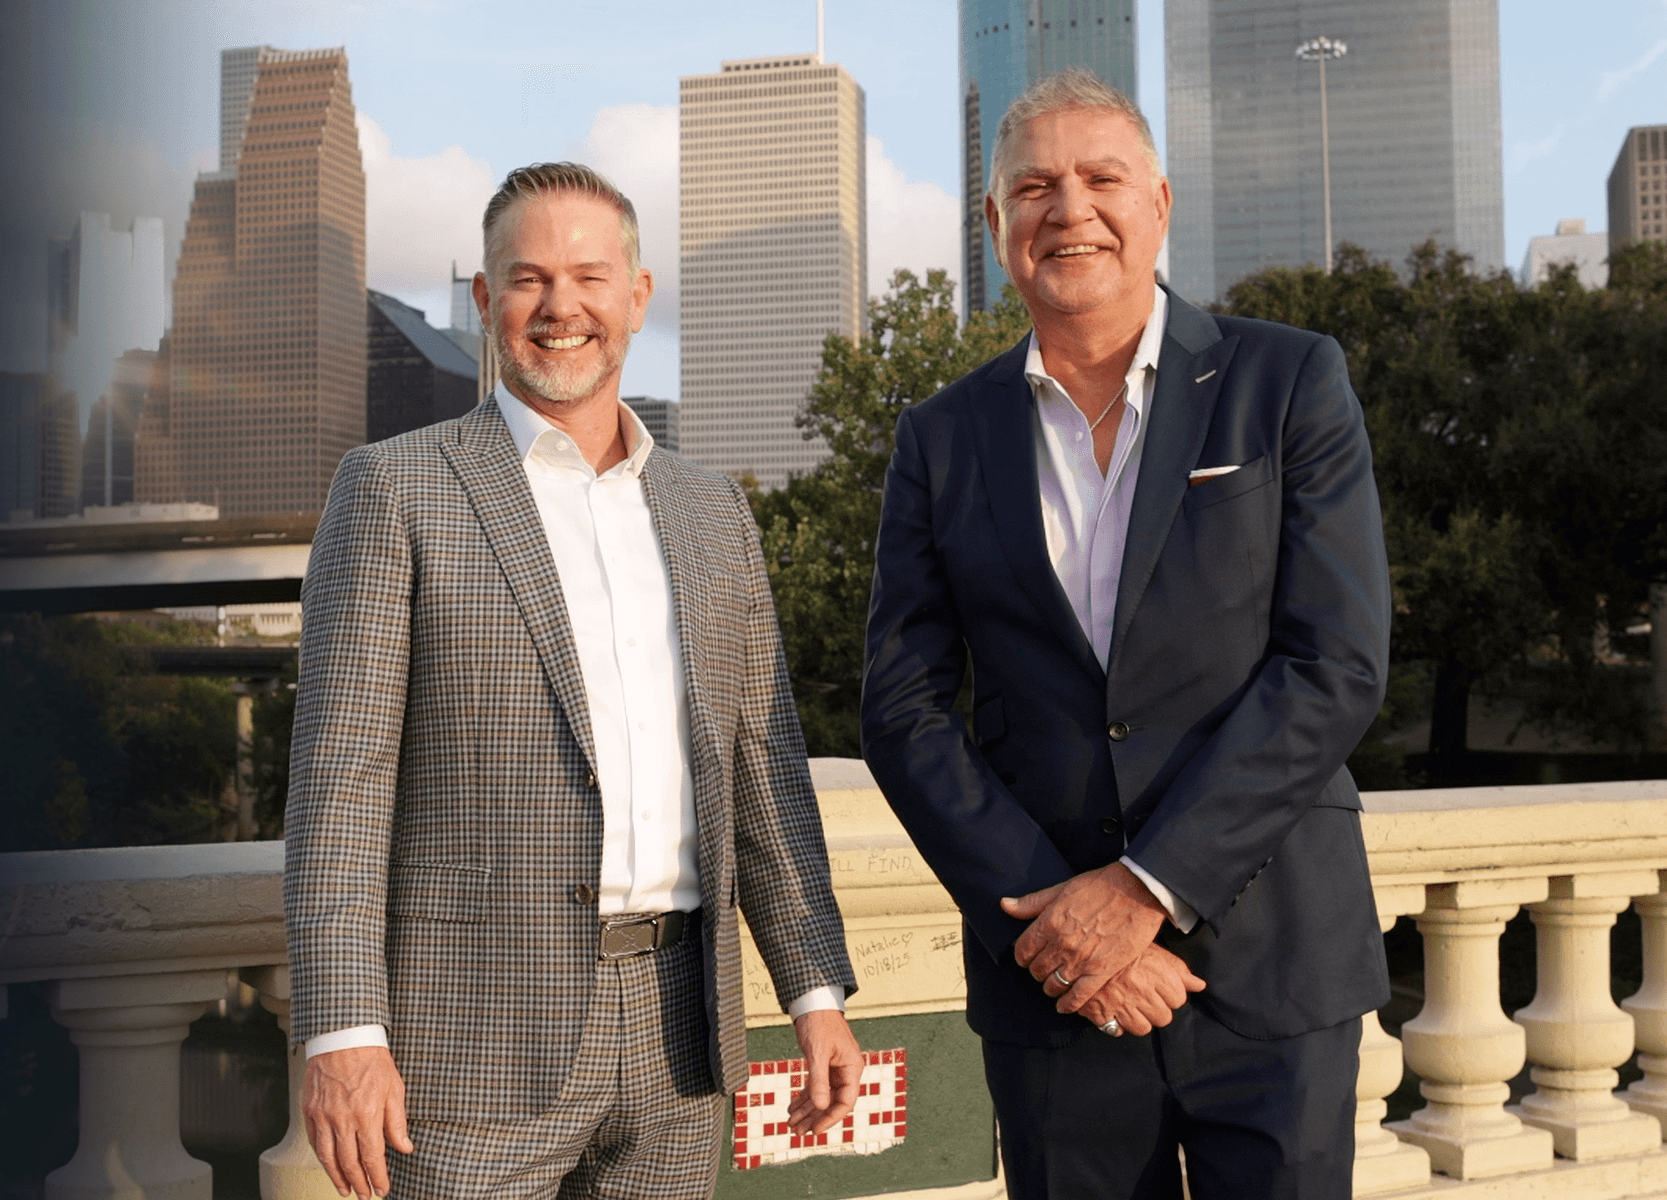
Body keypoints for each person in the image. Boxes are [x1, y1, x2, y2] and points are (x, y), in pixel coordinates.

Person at [860, 68, 1390, 1198]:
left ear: (1159, 201)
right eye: (1035, 187)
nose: (1071, 210)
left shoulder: (1287, 381)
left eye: (1102, 179)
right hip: (1051, 990)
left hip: (1272, 965)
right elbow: (903, 712)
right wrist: (1061, 933)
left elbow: (1334, 665)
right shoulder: (939, 439)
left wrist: (1144, 891)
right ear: (994, 224)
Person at [286, 161, 862, 1200]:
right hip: (465, 1050)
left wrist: (812, 984)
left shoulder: (712, 509)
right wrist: (341, 1027)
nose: (562, 309)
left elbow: (762, 765)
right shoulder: (394, 489)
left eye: (591, 278)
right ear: (484, 300)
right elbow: (341, 785)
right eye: (528, 278)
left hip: (684, 1040)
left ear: (637, 298)